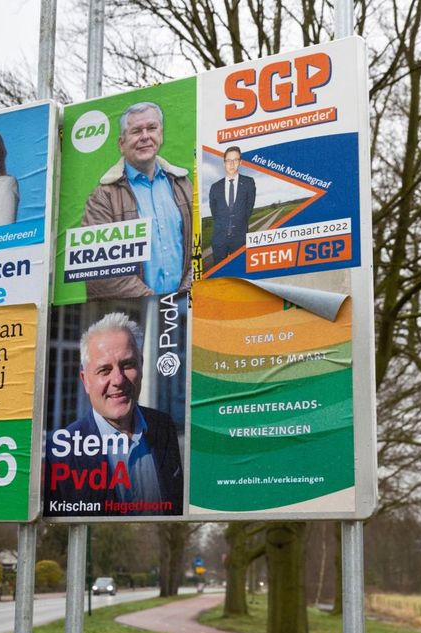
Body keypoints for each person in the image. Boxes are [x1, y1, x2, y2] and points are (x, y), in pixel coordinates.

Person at [45, 312, 183, 515]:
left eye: (128, 365)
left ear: (141, 366)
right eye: (104, 370)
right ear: (85, 380)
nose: (118, 379)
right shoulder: (60, 454)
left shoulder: (163, 427)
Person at [81, 102, 193, 299]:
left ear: (161, 134)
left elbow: (197, 248)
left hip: (185, 310)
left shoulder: (183, 184)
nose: (145, 137)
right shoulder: (103, 197)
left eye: (151, 128)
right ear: (121, 144)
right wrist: (155, 306)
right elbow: (101, 271)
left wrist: (183, 298)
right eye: (136, 131)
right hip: (133, 315)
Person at [208, 145, 256, 263]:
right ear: (224, 163)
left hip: (240, 239)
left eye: (235, 160)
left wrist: (238, 223)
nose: (231, 164)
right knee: (219, 276)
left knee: (239, 274)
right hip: (219, 239)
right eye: (228, 160)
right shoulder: (215, 187)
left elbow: (248, 209)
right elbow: (214, 212)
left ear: (240, 162)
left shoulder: (249, 183)